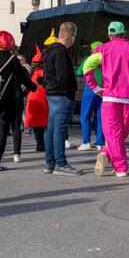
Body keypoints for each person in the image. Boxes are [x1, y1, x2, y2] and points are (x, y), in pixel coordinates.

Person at [82, 21, 129, 178]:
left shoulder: (102, 49)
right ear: (124, 33)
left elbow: (86, 68)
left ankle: (120, 166)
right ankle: (107, 153)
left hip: (110, 97)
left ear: (109, 34)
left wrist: (96, 88)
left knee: (113, 134)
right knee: (121, 133)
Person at [0, 31, 36, 171]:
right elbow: (22, 78)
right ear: (10, 43)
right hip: (4, 100)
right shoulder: (12, 59)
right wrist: (33, 87)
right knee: (2, 128)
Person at [42, 22, 81, 175]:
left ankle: (50, 163)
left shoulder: (50, 50)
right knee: (59, 131)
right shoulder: (61, 52)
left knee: (51, 130)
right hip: (61, 95)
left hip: (52, 94)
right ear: (71, 37)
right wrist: (69, 92)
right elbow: (63, 76)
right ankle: (61, 164)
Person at [76, 41, 104, 152]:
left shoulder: (88, 58)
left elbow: (79, 72)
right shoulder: (106, 59)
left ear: (92, 50)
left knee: (85, 115)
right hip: (104, 90)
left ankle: (86, 142)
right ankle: (100, 143)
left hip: (91, 89)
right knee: (100, 117)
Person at [24, 45, 49, 152]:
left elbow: (26, 89)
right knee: (47, 123)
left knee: (37, 124)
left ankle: (39, 144)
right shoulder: (45, 73)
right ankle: (47, 144)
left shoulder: (30, 74)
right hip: (45, 100)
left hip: (33, 101)